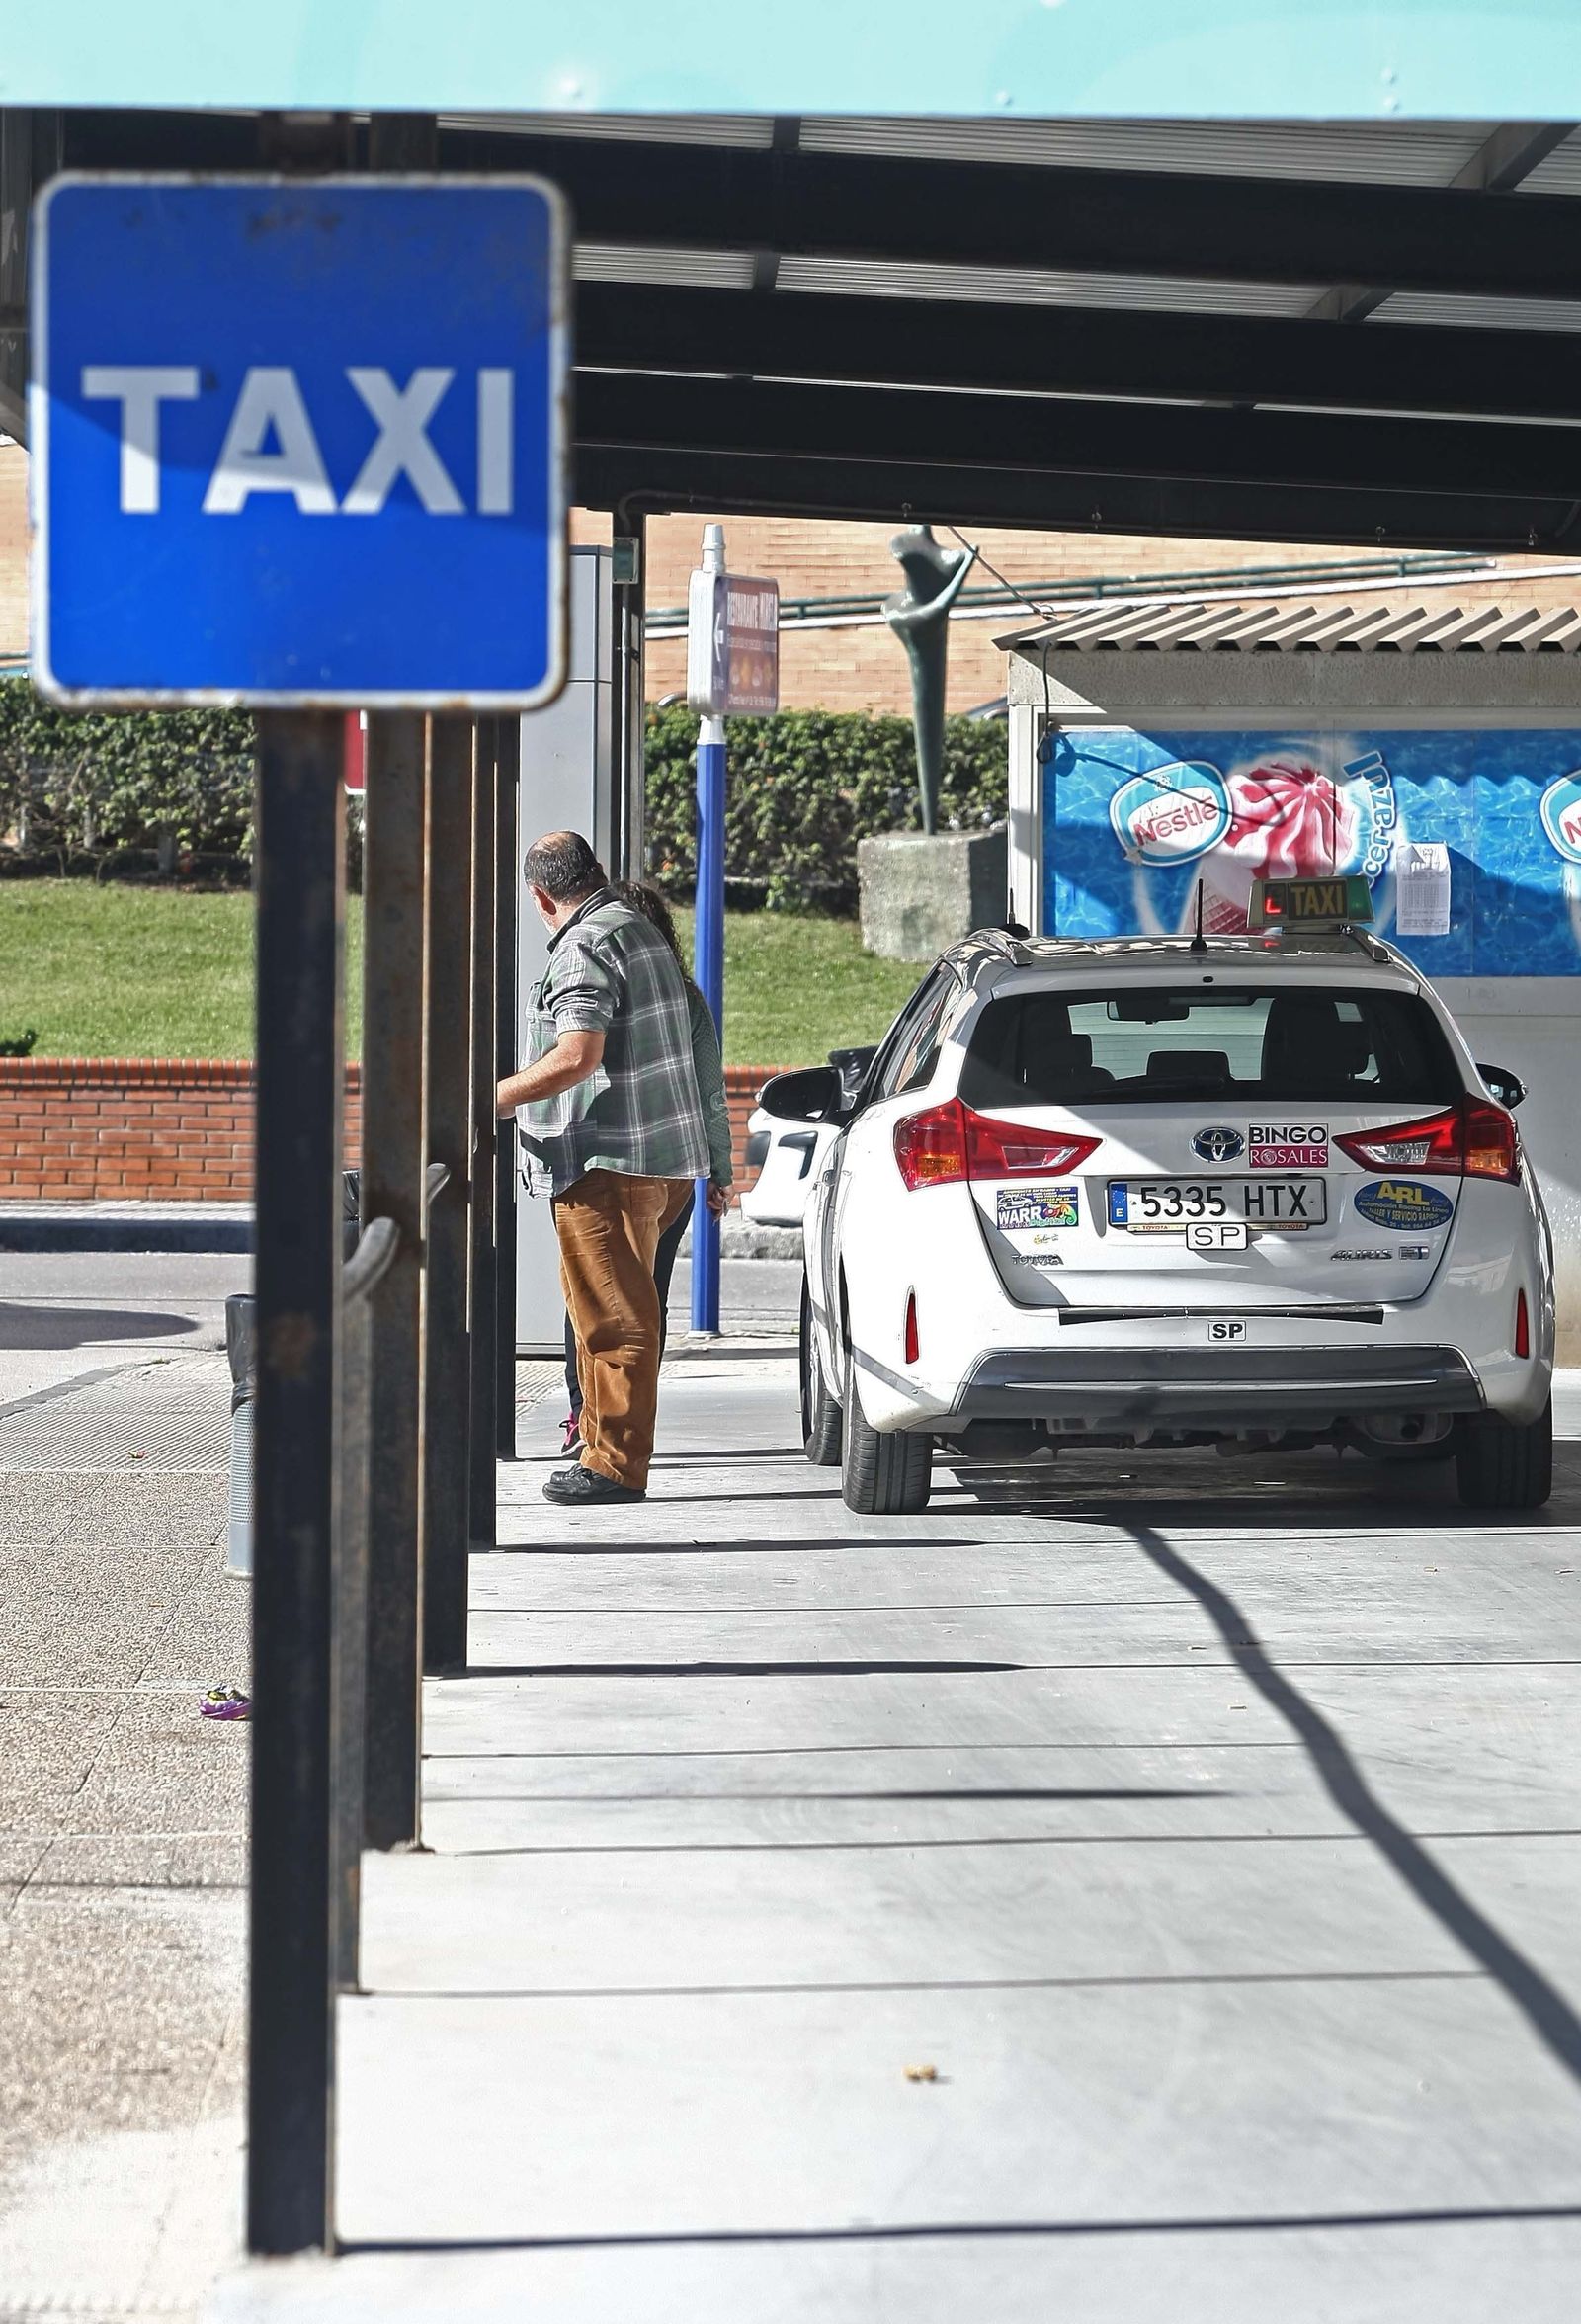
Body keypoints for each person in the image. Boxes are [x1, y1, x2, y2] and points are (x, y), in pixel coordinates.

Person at [497, 832, 708, 1506]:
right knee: (610, 1313)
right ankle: (597, 1445)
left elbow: (578, 1054)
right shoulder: (638, 931)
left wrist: (491, 1098)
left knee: (613, 1321)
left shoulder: (584, 946)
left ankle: (614, 1465)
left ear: (539, 895)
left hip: (605, 1162)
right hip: (661, 1160)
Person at [558, 879, 733, 1452]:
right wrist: (721, 1172)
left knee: (592, 1297)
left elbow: (572, 1062)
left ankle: (589, 1419)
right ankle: (626, 1422)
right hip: (676, 1170)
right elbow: (710, 1088)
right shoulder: (684, 996)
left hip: (604, 1164)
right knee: (644, 1298)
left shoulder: (590, 979)